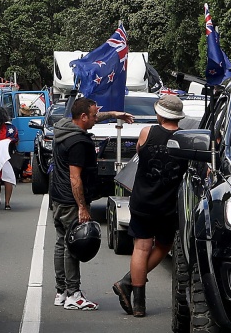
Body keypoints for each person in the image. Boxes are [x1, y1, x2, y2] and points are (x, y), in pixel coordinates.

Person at [113, 91, 185, 316]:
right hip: (168, 204)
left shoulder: (147, 132)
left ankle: (138, 304)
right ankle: (126, 283)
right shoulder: (186, 138)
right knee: (163, 246)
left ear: (159, 114)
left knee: (141, 247)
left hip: (142, 199)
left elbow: (139, 155)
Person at [51, 95, 101, 311]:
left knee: (61, 243)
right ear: (83, 117)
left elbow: (88, 116)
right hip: (71, 201)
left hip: (58, 198)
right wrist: (82, 206)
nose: (97, 118)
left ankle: (61, 291)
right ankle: (74, 294)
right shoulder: (79, 143)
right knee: (73, 245)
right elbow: (75, 177)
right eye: (94, 115)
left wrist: (114, 115)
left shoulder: (63, 128)